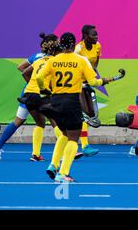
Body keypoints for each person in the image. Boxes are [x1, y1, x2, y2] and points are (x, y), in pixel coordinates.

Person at [38, 32, 112, 183]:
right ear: (73, 44)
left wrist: (44, 89)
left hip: (55, 100)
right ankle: (63, 173)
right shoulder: (81, 60)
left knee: (64, 135)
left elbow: (39, 77)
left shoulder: (53, 60)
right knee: (73, 138)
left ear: (61, 44)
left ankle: (53, 165)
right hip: (71, 101)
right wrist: (103, 81)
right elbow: (92, 82)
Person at [0, 33, 64, 161]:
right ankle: (65, 150)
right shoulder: (53, 60)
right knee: (52, 120)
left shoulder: (37, 57)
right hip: (38, 93)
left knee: (26, 121)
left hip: (28, 92)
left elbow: (21, 68)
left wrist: (32, 81)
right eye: (56, 42)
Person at [74, 24, 102, 157]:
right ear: (85, 36)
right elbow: (73, 65)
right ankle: (84, 145)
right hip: (78, 83)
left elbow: (96, 62)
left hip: (89, 82)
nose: (96, 37)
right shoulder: (78, 49)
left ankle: (81, 144)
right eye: (93, 34)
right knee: (84, 114)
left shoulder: (98, 46)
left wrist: (92, 75)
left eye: (96, 34)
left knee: (91, 114)